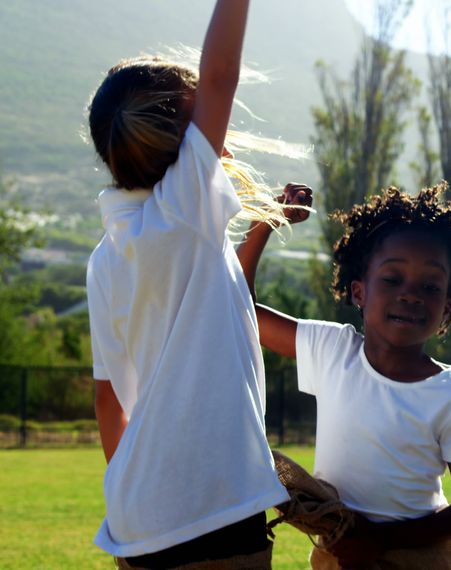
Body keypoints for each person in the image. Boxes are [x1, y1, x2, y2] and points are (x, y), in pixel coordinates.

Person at [86, 0, 295, 566]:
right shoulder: (184, 209)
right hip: (212, 505)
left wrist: (142, 506)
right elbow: (222, 72)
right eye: (198, 109)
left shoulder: (107, 256)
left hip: (136, 514)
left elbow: (110, 399)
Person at [237, 183, 451, 569]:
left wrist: (379, 541)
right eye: (393, 279)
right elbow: (239, 308)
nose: (410, 295)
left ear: (448, 307)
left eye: (430, 286)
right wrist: (265, 222)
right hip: (337, 555)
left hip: (421, 558)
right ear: (359, 291)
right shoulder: (332, 350)